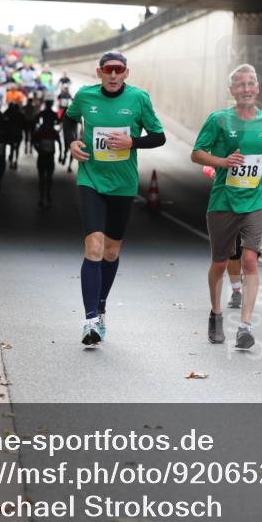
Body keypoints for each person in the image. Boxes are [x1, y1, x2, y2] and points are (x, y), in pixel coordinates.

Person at [65, 51, 166, 346]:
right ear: (99, 73)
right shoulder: (85, 96)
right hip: (91, 179)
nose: (112, 75)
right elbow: (68, 121)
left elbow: (159, 136)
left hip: (123, 184)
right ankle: (90, 320)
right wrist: (71, 142)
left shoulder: (139, 99)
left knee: (111, 251)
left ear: (125, 73)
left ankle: (102, 304)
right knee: (93, 245)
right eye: (107, 70)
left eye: (118, 70)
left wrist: (132, 141)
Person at [190, 64, 262, 348]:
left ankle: (245, 325)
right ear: (232, 91)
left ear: (257, 88)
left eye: (250, 83)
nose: (246, 89)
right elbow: (196, 154)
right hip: (223, 201)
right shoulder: (218, 120)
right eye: (240, 85)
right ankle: (216, 314)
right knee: (219, 263)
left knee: (250, 260)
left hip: (255, 201)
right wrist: (222, 163)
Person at [202, 153, 262, 309]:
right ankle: (236, 289)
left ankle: (246, 306)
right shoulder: (226, 136)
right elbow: (206, 164)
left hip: (254, 202)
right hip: (228, 201)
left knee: (250, 256)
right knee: (232, 251)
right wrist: (214, 173)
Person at [34, 101, 63, 207]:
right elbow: (59, 122)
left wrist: (38, 149)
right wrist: (61, 155)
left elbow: (34, 141)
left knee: (42, 177)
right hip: (50, 156)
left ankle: (42, 197)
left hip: (42, 156)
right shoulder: (53, 129)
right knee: (49, 177)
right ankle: (48, 194)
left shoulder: (40, 130)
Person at [3, 101, 26, 170]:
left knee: (12, 147)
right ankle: (16, 160)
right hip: (19, 133)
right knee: (17, 148)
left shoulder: (10, 113)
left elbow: (4, 118)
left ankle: (11, 161)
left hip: (12, 133)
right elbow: (24, 124)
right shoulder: (21, 115)